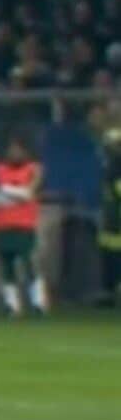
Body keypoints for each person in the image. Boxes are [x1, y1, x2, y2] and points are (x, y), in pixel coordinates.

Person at [0, 135, 46, 316]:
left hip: (24, 225)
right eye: (11, 149)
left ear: (26, 151)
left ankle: (38, 302)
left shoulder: (34, 169)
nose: (14, 153)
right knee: (7, 266)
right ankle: (11, 304)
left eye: (18, 149)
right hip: (2, 225)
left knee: (30, 264)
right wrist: (15, 195)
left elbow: (29, 194)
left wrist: (6, 191)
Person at [99, 128, 121, 306]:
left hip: (114, 220)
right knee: (111, 259)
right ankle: (111, 291)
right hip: (111, 221)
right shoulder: (109, 166)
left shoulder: (113, 167)